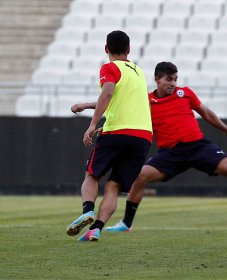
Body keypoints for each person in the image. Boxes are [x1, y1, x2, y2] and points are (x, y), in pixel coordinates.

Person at [72, 62, 227, 237]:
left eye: (175, 79)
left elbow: (207, 113)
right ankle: (126, 224)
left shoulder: (185, 93)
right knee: (139, 177)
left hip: (198, 147)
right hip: (170, 154)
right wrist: (87, 108)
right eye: (169, 79)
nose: (173, 83)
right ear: (157, 79)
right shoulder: (146, 100)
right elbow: (116, 106)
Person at [65, 30, 152, 241]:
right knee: (114, 185)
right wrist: (86, 105)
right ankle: (95, 230)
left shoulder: (110, 67)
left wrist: (93, 124)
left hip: (118, 132)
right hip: (143, 136)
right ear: (129, 50)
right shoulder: (138, 72)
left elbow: (108, 93)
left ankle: (87, 211)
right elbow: (122, 101)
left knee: (92, 174)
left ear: (106, 49)